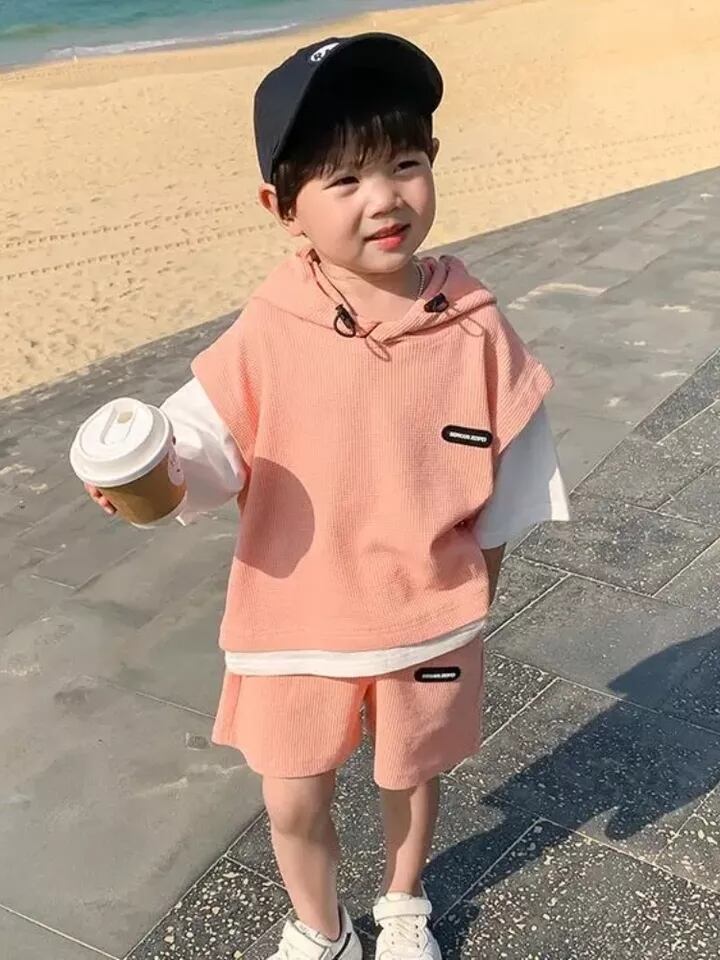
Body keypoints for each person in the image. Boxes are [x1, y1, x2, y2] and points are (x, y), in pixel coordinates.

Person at [86, 33, 569, 960]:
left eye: (405, 164)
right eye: (344, 179)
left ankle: (403, 903)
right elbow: (204, 438)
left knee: (411, 772)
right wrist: (157, 472)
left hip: (426, 617)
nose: (384, 198)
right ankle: (320, 925)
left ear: (433, 162)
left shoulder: (474, 326)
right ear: (283, 207)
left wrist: (476, 594)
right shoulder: (272, 326)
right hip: (295, 617)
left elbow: (512, 465)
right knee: (291, 794)